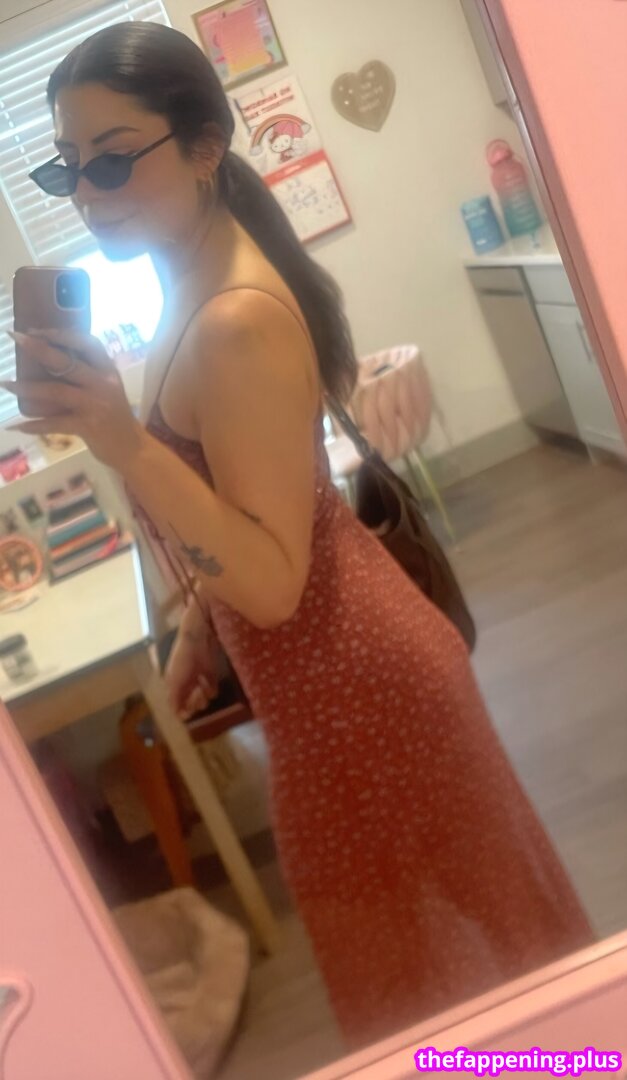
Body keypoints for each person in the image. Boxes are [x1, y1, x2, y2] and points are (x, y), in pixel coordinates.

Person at [5, 22, 593, 1048]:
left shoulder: (234, 317)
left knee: (478, 985)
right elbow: (253, 510)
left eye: (114, 159)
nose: (88, 194)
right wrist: (203, 625)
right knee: (443, 979)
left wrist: (120, 439)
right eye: (68, 166)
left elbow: (276, 583)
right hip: (324, 697)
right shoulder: (188, 279)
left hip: (362, 697)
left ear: (204, 147)